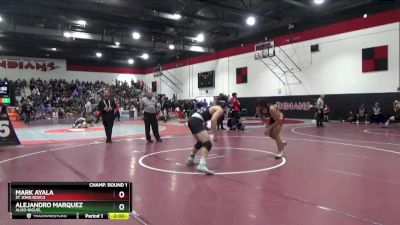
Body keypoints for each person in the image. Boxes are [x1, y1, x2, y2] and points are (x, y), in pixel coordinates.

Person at [185, 94, 227, 175]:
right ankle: (202, 164)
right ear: (224, 104)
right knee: (207, 144)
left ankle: (190, 159)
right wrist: (215, 134)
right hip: (196, 120)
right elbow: (213, 119)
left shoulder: (213, 106)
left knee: (200, 142)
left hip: (192, 120)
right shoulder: (219, 109)